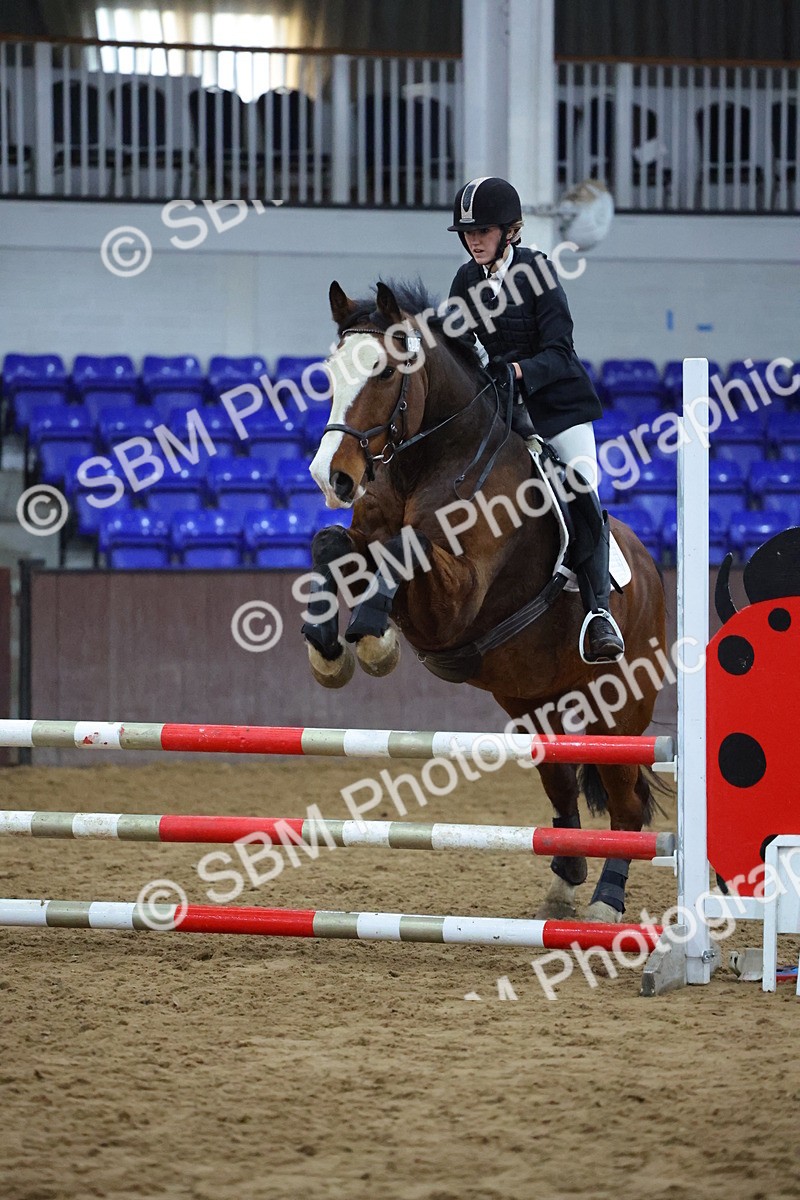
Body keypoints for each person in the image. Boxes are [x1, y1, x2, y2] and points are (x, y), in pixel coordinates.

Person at [447, 175, 624, 663]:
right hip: (503, 411)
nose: (474, 240)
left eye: (483, 231)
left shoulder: (537, 271)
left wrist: (517, 371)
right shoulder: (465, 281)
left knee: (581, 487)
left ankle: (599, 613)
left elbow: (561, 352)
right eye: (468, 232)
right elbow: (457, 346)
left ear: (510, 230)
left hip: (557, 407)